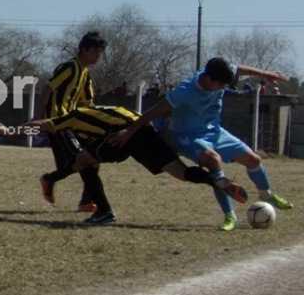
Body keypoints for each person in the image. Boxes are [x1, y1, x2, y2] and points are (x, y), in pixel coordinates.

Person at [109, 57, 293, 231]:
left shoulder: (221, 71)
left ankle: (266, 195)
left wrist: (265, 74)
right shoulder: (184, 92)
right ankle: (230, 216)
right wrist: (129, 132)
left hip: (214, 131)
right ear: (209, 79)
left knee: (253, 160)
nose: (222, 88)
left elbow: (239, 68)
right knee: (213, 161)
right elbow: (153, 112)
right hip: (187, 136)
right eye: (221, 85)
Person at [0, 105, 248, 225]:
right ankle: (217, 180)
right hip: (144, 130)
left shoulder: (74, 116)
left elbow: (45, 125)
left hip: (125, 136)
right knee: (181, 172)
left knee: (84, 161)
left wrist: (10, 130)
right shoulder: (103, 108)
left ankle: (103, 212)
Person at [36, 31, 106, 213]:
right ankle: (52, 181)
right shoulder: (69, 67)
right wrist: (39, 118)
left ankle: (82, 199)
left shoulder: (85, 73)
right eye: (96, 52)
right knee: (86, 160)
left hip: (72, 124)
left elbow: (87, 103)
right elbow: (47, 89)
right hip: (58, 123)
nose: (98, 56)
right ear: (84, 50)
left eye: (100, 52)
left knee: (89, 160)